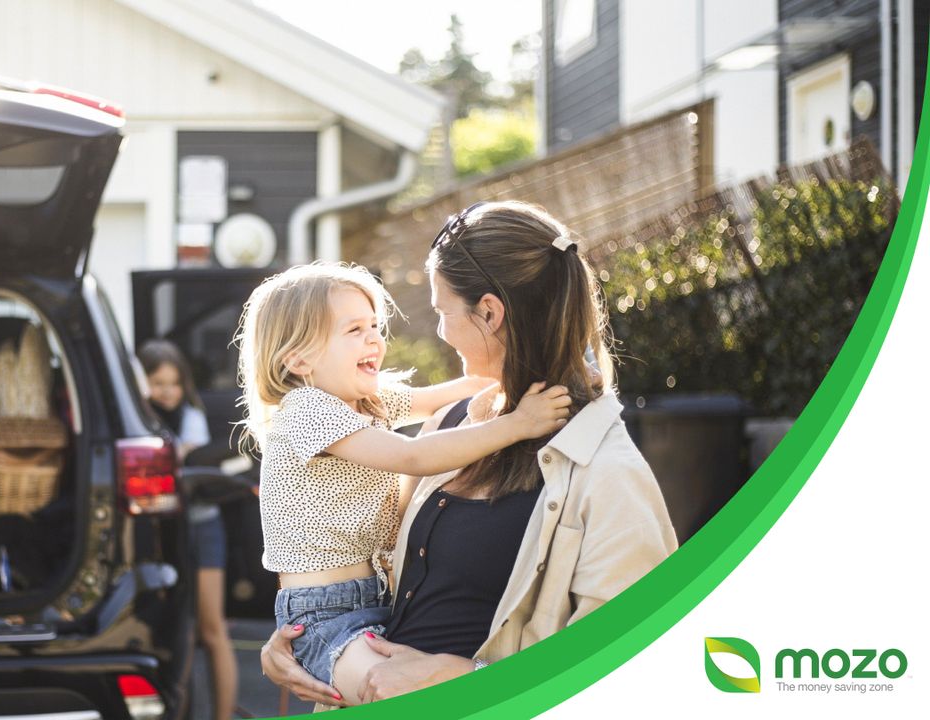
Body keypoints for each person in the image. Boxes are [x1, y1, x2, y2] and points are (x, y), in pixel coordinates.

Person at [260, 202, 678, 707]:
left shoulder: (608, 473)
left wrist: (463, 678)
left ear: (489, 312)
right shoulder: (453, 426)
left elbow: (630, 663)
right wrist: (300, 643)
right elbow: (374, 578)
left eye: (442, 312)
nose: (436, 332)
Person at [235, 262, 572, 704]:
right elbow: (411, 455)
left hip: (377, 600)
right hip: (324, 616)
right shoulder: (304, 410)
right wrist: (519, 424)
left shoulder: (363, 400)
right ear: (298, 358)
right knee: (392, 696)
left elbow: (439, 396)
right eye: (354, 330)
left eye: (374, 325)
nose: (374, 338)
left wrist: (523, 372)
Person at [137, 339, 237, 720]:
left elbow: (179, 460)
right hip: (158, 536)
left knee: (211, 630)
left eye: (173, 383)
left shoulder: (190, 416)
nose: (167, 391)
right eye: (157, 382)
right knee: (170, 633)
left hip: (201, 527)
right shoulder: (137, 416)